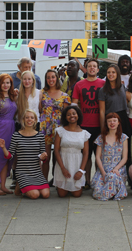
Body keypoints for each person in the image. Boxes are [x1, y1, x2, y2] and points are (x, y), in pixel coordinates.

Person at [0, 109, 50, 199]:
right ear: (23, 120)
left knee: (46, 195)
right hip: (22, 171)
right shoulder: (16, 135)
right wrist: (3, 147)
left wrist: (44, 157)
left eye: (32, 117)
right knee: (35, 195)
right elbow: (10, 156)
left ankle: (21, 187)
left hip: (36, 172)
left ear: (35, 120)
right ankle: (20, 185)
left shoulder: (40, 136)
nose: (29, 120)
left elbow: (43, 157)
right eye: (27, 117)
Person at [72, 58, 105, 187]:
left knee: (99, 156)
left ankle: (98, 180)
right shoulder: (79, 85)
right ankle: (86, 181)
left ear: (97, 69)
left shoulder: (103, 84)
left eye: (94, 66)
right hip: (84, 126)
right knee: (86, 156)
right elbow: (74, 105)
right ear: (85, 69)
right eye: (89, 66)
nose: (92, 68)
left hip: (99, 126)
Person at [11, 70, 42, 189]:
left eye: (29, 79)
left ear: (33, 81)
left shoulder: (39, 93)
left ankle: (35, 177)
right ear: (21, 81)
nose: (27, 81)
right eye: (25, 79)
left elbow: (40, 109)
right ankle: (16, 178)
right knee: (18, 154)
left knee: (36, 153)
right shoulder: (18, 94)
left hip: (35, 125)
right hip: (21, 125)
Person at [53, 106, 90, 197]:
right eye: (68, 114)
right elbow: (56, 151)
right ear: (65, 117)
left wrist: (81, 171)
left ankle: (73, 183)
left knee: (77, 194)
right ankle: (62, 184)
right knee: (62, 195)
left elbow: (85, 153)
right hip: (63, 163)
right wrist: (63, 168)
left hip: (77, 165)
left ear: (78, 115)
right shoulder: (60, 131)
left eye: (74, 113)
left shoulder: (84, 133)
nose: (71, 116)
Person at [40, 69, 70, 180]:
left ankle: (56, 181)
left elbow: (67, 116)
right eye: (48, 77)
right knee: (45, 157)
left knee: (58, 157)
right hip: (45, 128)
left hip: (59, 128)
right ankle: (44, 181)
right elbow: (38, 109)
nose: (50, 79)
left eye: (53, 77)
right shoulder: (41, 93)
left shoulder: (65, 96)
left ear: (57, 78)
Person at [91, 113, 129, 201]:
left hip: (118, 169)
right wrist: (103, 173)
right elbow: (97, 157)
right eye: (109, 121)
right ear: (106, 123)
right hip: (104, 169)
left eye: (114, 121)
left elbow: (125, 158)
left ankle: (113, 193)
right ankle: (113, 192)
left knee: (113, 177)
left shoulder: (123, 138)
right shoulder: (101, 138)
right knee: (97, 190)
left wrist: (116, 168)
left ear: (118, 122)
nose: (112, 123)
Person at [98, 64, 132, 137]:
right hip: (111, 121)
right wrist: (102, 128)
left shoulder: (122, 87)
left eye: (113, 72)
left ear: (117, 74)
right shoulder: (103, 90)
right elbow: (102, 111)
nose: (111, 74)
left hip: (123, 119)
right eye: (108, 72)